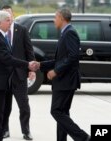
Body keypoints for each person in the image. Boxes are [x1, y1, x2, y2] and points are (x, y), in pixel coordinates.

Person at [31, 8, 91, 141]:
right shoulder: (65, 33)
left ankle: (83, 137)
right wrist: (41, 65)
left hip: (66, 80)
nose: (54, 20)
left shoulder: (69, 33)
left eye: (55, 17)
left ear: (62, 18)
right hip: (65, 81)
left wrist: (56, 71)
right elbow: (60, 59)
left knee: (56, 111)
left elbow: (72, 57)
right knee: (62, 113)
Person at [0, 10, 34, 141]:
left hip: (6, 81)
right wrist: (27, 65)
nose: (11, 22)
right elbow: (7, 59)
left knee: (5, 111)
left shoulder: (2, 35)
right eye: (8, 20)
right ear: (0, 22)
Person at [1, 5, 35, 140]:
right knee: (5, 107)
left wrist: (31, 69)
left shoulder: (22, 30)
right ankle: (5, 130)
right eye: (4, 15)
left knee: (24, 106)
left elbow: (29, 50)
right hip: (4, 76)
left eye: (9, 14)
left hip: (19, 75)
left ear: (13, 14)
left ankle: (26, 131)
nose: (7, 17)